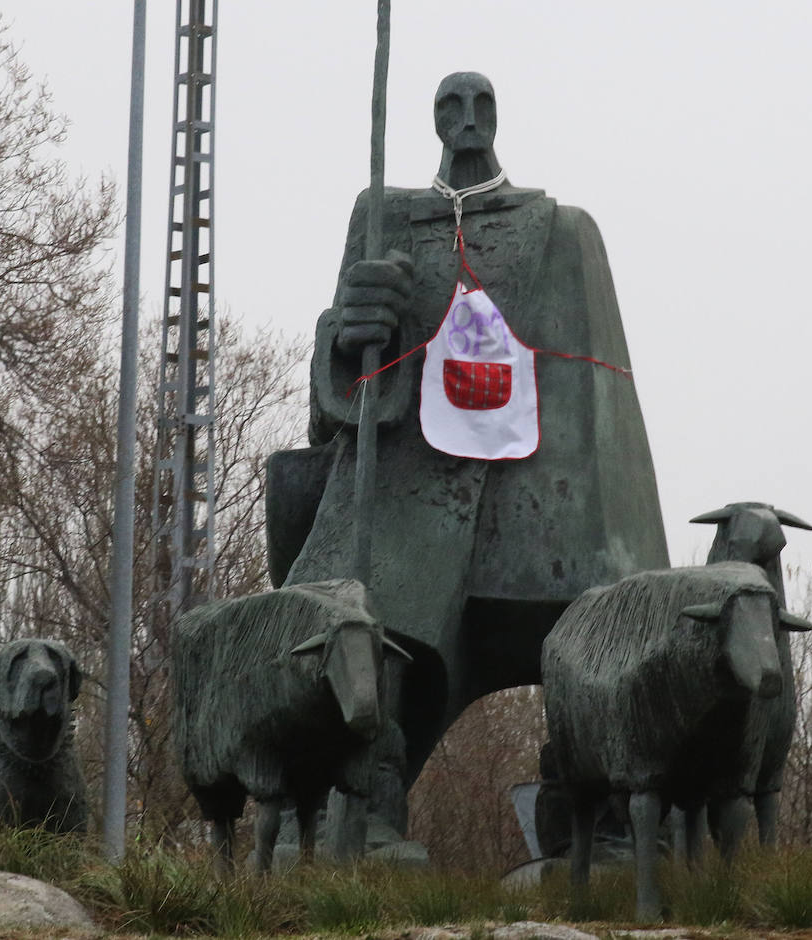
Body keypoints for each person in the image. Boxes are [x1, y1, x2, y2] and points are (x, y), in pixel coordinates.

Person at [266, 72, 669, 834]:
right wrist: (354, 330)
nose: (470, 121)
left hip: (542, 492)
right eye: (453, 106)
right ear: (434, 120)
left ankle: (602, 811)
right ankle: (355, 797)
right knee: (346, 619)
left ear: (499, 117)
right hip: (411, 485)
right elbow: (343, 405)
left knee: (594, 627)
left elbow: (602, 415)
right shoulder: (384, 220)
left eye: (482, 105)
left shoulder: (561, 230)